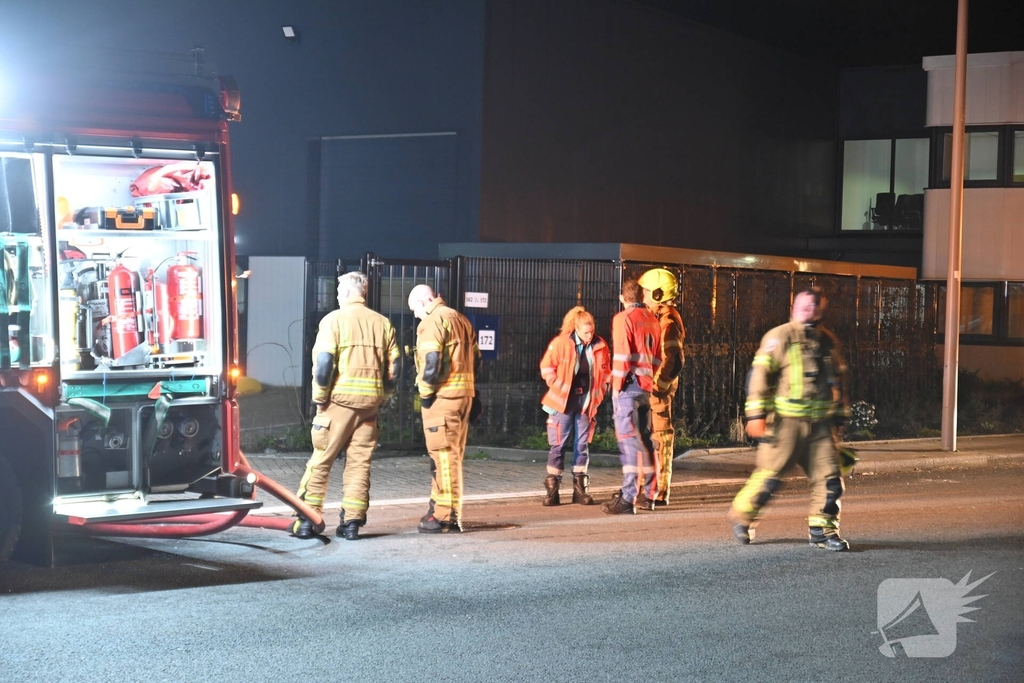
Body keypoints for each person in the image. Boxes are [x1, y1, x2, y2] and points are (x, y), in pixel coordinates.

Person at [728, 287, 852, 551]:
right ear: (794, 308)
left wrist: (840, 416)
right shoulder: (780, 336)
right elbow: (759, 376)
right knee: (769, 478)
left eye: (814, 306)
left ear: (820, 310)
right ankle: (743, 518)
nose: (809, 310)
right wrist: (756, 415)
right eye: (804, 305)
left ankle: (823, 532)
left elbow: (838, 379)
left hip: (820, 426)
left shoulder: (827, 340)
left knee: (830, 480)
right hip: (787, 424)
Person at [290, 271, 399, 541]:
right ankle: (351, 524)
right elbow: (395, 369)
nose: (337, 296)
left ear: (348, 292)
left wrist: (320, 397)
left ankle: (307, 521)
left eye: (339, 292)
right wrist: (383, 396)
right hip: (369, 406)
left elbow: (324, 364)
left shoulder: (333, 320)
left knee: (321, 461)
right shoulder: (383, 324)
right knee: (359, 465)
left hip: (338, 403)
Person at [408, 284, 481, 533]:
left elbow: (431, 362)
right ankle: (438, 508)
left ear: (423, 301)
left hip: (443, 397)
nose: (416, 316)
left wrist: (426, 395)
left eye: (415, 310)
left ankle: (445, 515)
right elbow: (477, 360)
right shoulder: (461, 319)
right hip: (464, 396)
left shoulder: (433, 321)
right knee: (451, 457)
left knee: (443, 458)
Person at [539, 306, 612, 506]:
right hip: (562, 402)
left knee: (582, 445)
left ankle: (580, 491)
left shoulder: (600, 345)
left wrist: (601, 391)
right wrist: (555, 383)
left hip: (586, 402)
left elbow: (606, 373)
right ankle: (552, 491)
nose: (590, 336)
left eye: (592, 331)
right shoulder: (561, 343)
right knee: (558, 444)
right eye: (586, 332)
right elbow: (547, 367)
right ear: (576, 329)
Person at [602, 279, 663, 515]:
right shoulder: (652, 319)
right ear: (642, 296)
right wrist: (648, 377)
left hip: (628, 386)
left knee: (629, 441)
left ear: (622, 298)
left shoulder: (623, 318)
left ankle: (628, 498)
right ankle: (650, 495)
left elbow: (623, 356)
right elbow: (658, 356)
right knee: (645, 440)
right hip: (645, 386)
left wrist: (617, 386)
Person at [638, 268, 686, 507]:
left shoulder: (668, 320)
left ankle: (656, 491)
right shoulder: (660, 317)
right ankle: (649, 488)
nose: (643, 295)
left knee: (660, 439)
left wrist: (657, 387)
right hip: (653, 388)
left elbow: (674, 358)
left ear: (659, 294)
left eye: (647, 291)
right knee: (652, 438)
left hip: (657, 391)